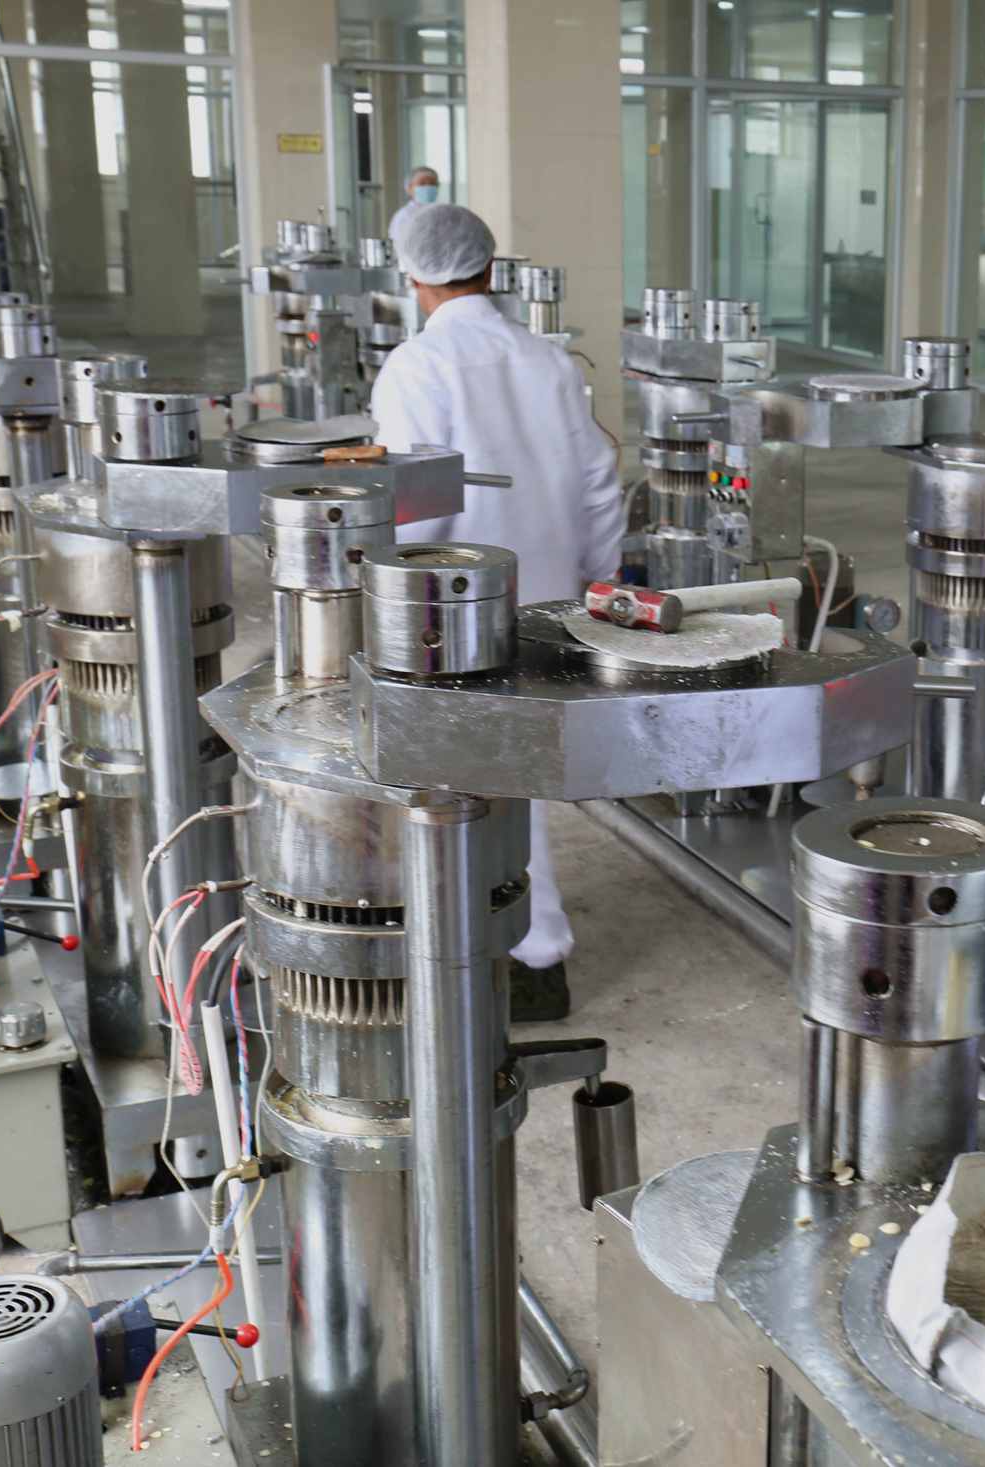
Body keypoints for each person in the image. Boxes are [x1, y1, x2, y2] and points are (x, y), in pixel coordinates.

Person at [370, 202, 624, 1021]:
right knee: (519, 777)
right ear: (489, 267)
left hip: (454, 605)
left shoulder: (418, 366)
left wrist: (371, 582)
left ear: (414, 276)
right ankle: (522, 948)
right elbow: (599, 480)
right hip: (549, 593)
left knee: (461, 785)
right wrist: (600, 580)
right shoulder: (548, 359)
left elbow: (415, 509)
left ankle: (519, 954)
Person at [387, 166, 441, 244]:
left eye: (432, 184)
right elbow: (399, 243)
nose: (428, 187)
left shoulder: (443, 212)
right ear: (409, 188)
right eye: (422, 183)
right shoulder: (405, 215)